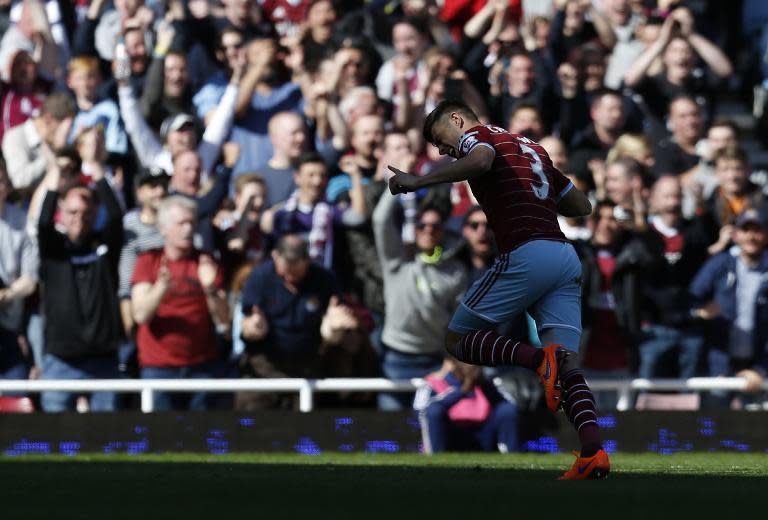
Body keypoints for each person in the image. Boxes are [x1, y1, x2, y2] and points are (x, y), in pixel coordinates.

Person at [387, 99, 607, 479]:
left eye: (441, 140)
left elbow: (481, 160)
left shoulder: (478, 136)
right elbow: (581, 205)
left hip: (526, 253)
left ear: (456, 119)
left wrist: (419, 181)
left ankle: (539, 361)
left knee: (459, 340)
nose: (443, 151)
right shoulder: (531, 147)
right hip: (563, 256)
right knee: (568, 364)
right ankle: (593, 452)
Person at [131, 196, 230, 411]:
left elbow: (224, 320)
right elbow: (140, 315)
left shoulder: (206, 262)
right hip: (159, 367)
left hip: (202, 365)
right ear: (163, 228)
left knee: (200, 439)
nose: (188, 229)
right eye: (181, 223)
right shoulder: (149, 261)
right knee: (160, 437)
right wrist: (161, 287)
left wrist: (210, 288)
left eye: (191, 223)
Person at [689, 208, 768, 408]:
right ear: (735, 234)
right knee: (711, 429)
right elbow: (691, 298)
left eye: (757, 230)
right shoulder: (720, 265)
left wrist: (760, 369)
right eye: (745, 229)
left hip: (757, 368)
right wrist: (701, 312)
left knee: (756, 434)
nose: (751, 236)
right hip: (719, 364)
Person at [414, 356, 519, 454]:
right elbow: (420, 412)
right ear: (451, 363)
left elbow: (511, 405)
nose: (471, 365)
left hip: (484, 435)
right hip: (450, 435)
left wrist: (483, 385)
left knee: (507, 410)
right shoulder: (433, 383)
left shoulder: (488, 384)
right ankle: (437, 457)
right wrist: (462, 390)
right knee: (434, 411)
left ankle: (512, 455)